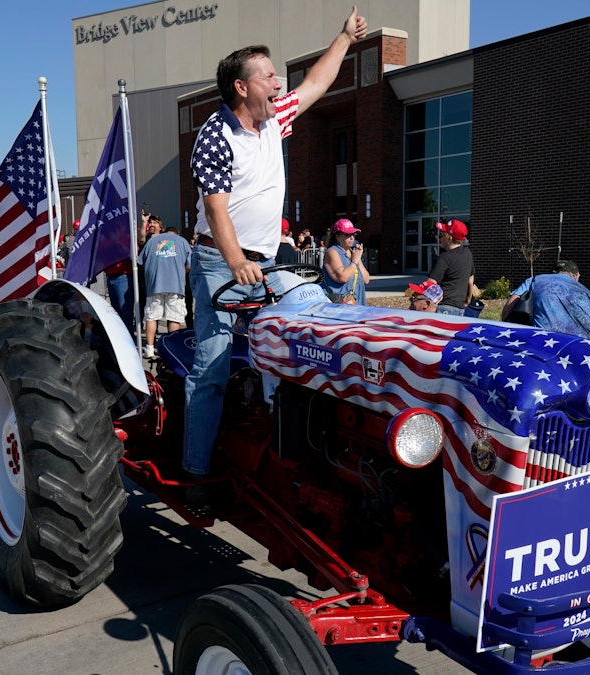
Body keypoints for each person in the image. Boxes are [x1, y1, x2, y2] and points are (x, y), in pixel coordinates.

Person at [184, 6, 368, 509]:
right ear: (241, 88)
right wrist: (237, 260)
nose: (277, 81)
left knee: (318, 312)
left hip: (269, 258)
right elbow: (215, 209)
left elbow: (317, 82)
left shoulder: (275, 120)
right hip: (221, 261)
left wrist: (345, 38)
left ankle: (304, 440)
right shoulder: (215, 136)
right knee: (212, 366)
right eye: (267, 75)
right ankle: (197, 475)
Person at [501, 260, 590, 341]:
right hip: (580, 349)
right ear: (577, 275)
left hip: (545, 344)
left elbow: (507, 312)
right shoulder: (586, 292)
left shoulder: (535, 280)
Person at [138, 222, 191, 358]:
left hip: (154, 285)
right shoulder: (183, 242)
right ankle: (171, 348)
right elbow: (190, 266)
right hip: (176, 286)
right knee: (174, 318)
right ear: (176, 233)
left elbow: (140, 262)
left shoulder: (152, 242)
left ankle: (149, 348)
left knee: (152, 316)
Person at [427, 219, 476, 316]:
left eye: (442, 234)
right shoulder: (468, 254)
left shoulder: (444, 258)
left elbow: (430, 283)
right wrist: (468, 300)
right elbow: (470, 281)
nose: (440, 238)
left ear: (449, 237)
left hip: (443, 307)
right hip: (460, 307)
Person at [322, 219, 370, 303]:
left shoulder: (353, 253)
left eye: (353, 234)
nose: (352, 238)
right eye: (347, 235)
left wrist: (358, 258)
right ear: (337, 236)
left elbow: (366, 279)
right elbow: (342, 277)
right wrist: (354, 261)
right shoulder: (332, 252)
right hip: (338, 306)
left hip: (357, 305)